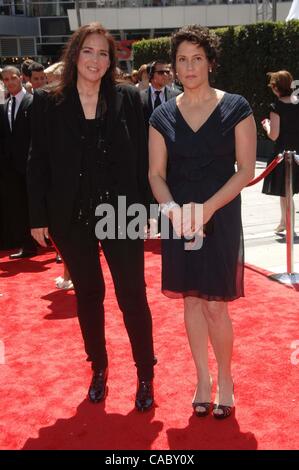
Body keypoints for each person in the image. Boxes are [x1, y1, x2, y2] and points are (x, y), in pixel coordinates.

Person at [27, 22, 156, 411]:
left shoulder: (129, 98)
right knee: (88, 296)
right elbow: (38, 162)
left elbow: (144, 159)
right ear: (74, 54)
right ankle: (98, 367)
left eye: (104, 53)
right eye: (88, 51)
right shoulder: (49, 102)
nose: (96, 60)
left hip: (122, 211)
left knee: (132, 295)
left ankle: (146, 373)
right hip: (71, 215)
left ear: (111, 60)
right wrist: (37, 216)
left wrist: (146, 208)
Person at [149, 25, 256, 419]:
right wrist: (174, 211)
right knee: (191, 301)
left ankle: (226, 378)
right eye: (181, 59)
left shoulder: (237, 106)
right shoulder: (161, 115)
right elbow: (155, 174)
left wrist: (207, 209)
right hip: (180, 220)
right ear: (174, 66)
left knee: (216, 307)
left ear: (210, 62)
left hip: (220, 214)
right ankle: (203, 379)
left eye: (197, 58)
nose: (189, 66)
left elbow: (245, 170)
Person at [0, 66, 36, 257]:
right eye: (5, 80)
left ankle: (57, 247)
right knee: (19, 207)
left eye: (12, 78)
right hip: (12, 169)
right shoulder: (4, 106)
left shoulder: (33, 101)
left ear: (20, 78)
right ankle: (27, 245)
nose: (9, 82)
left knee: (39, 205)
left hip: (32, 165)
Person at [262, 70, 299, 233]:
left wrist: (266, 126)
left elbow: (274, 135)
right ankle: (284, 221)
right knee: (286, 192)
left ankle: (289, 224)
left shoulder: (276, 106)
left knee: (285, 192)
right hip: (297, 151)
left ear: (276, 88)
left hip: (283, 152)